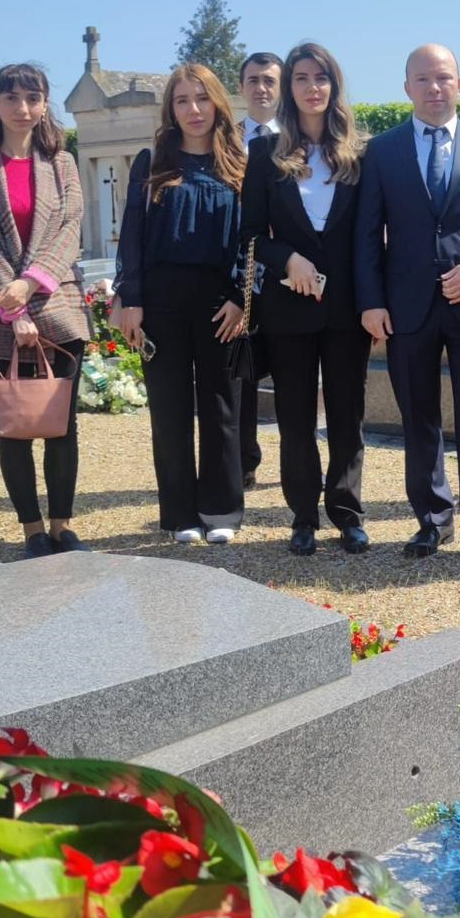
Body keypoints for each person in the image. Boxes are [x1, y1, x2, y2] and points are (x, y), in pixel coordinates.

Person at [354, 45, 460, 562]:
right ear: (407, 87)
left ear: (459, 84)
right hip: (406, 306)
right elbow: (366, 233)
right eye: (423, 79)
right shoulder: (382, 151)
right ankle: (432, 520)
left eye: (443, 78)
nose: (434, 87)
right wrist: (371, 302)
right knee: (419, 417)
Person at [239, 43, 370, 557]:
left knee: (346, 414)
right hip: (288, 307)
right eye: (301, 78)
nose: (312, 87)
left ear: (334, 85)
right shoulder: (264, 155)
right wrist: (287, 259)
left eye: (321, 77)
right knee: (295, 418)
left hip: (346, 307)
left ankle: (347, 511)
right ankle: (303, 515)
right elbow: (250, 234)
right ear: (289, 88)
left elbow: (369, 232)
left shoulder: (361, 153)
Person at [0, 63, 90, 559]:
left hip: (58, 308)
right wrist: (14, 308)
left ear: (45, 104)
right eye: (11, 97)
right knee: (15, 425)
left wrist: (30, 284)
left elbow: (69, 230)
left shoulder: (63, 163)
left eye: (33, 98)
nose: (23, 108)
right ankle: (32, 530)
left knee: (61, 426)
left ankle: (62, 527)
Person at [114, 64, 249, 545]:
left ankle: (221, 509)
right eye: (182, 100)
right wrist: (131, 299)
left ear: (218, 103)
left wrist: (241, 298)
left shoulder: (241, 164)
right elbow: (132, 235)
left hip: (221, 302)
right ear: (171, 109)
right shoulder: (152, 163)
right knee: (169, 410)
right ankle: (178, 514)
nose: (194, 109)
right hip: (162, 301)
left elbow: (253, 239)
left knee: (222, 408)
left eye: (202, 98)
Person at [236, 51, 283, 489]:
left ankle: (298, 461)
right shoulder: (225, 140)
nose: (261, 88)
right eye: (253, 80)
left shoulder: (300, 138)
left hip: (289, 273)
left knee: (292, 371)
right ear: (242, 87)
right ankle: (244, 460)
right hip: (242, 272)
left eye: (269, 80)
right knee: (243, 370)